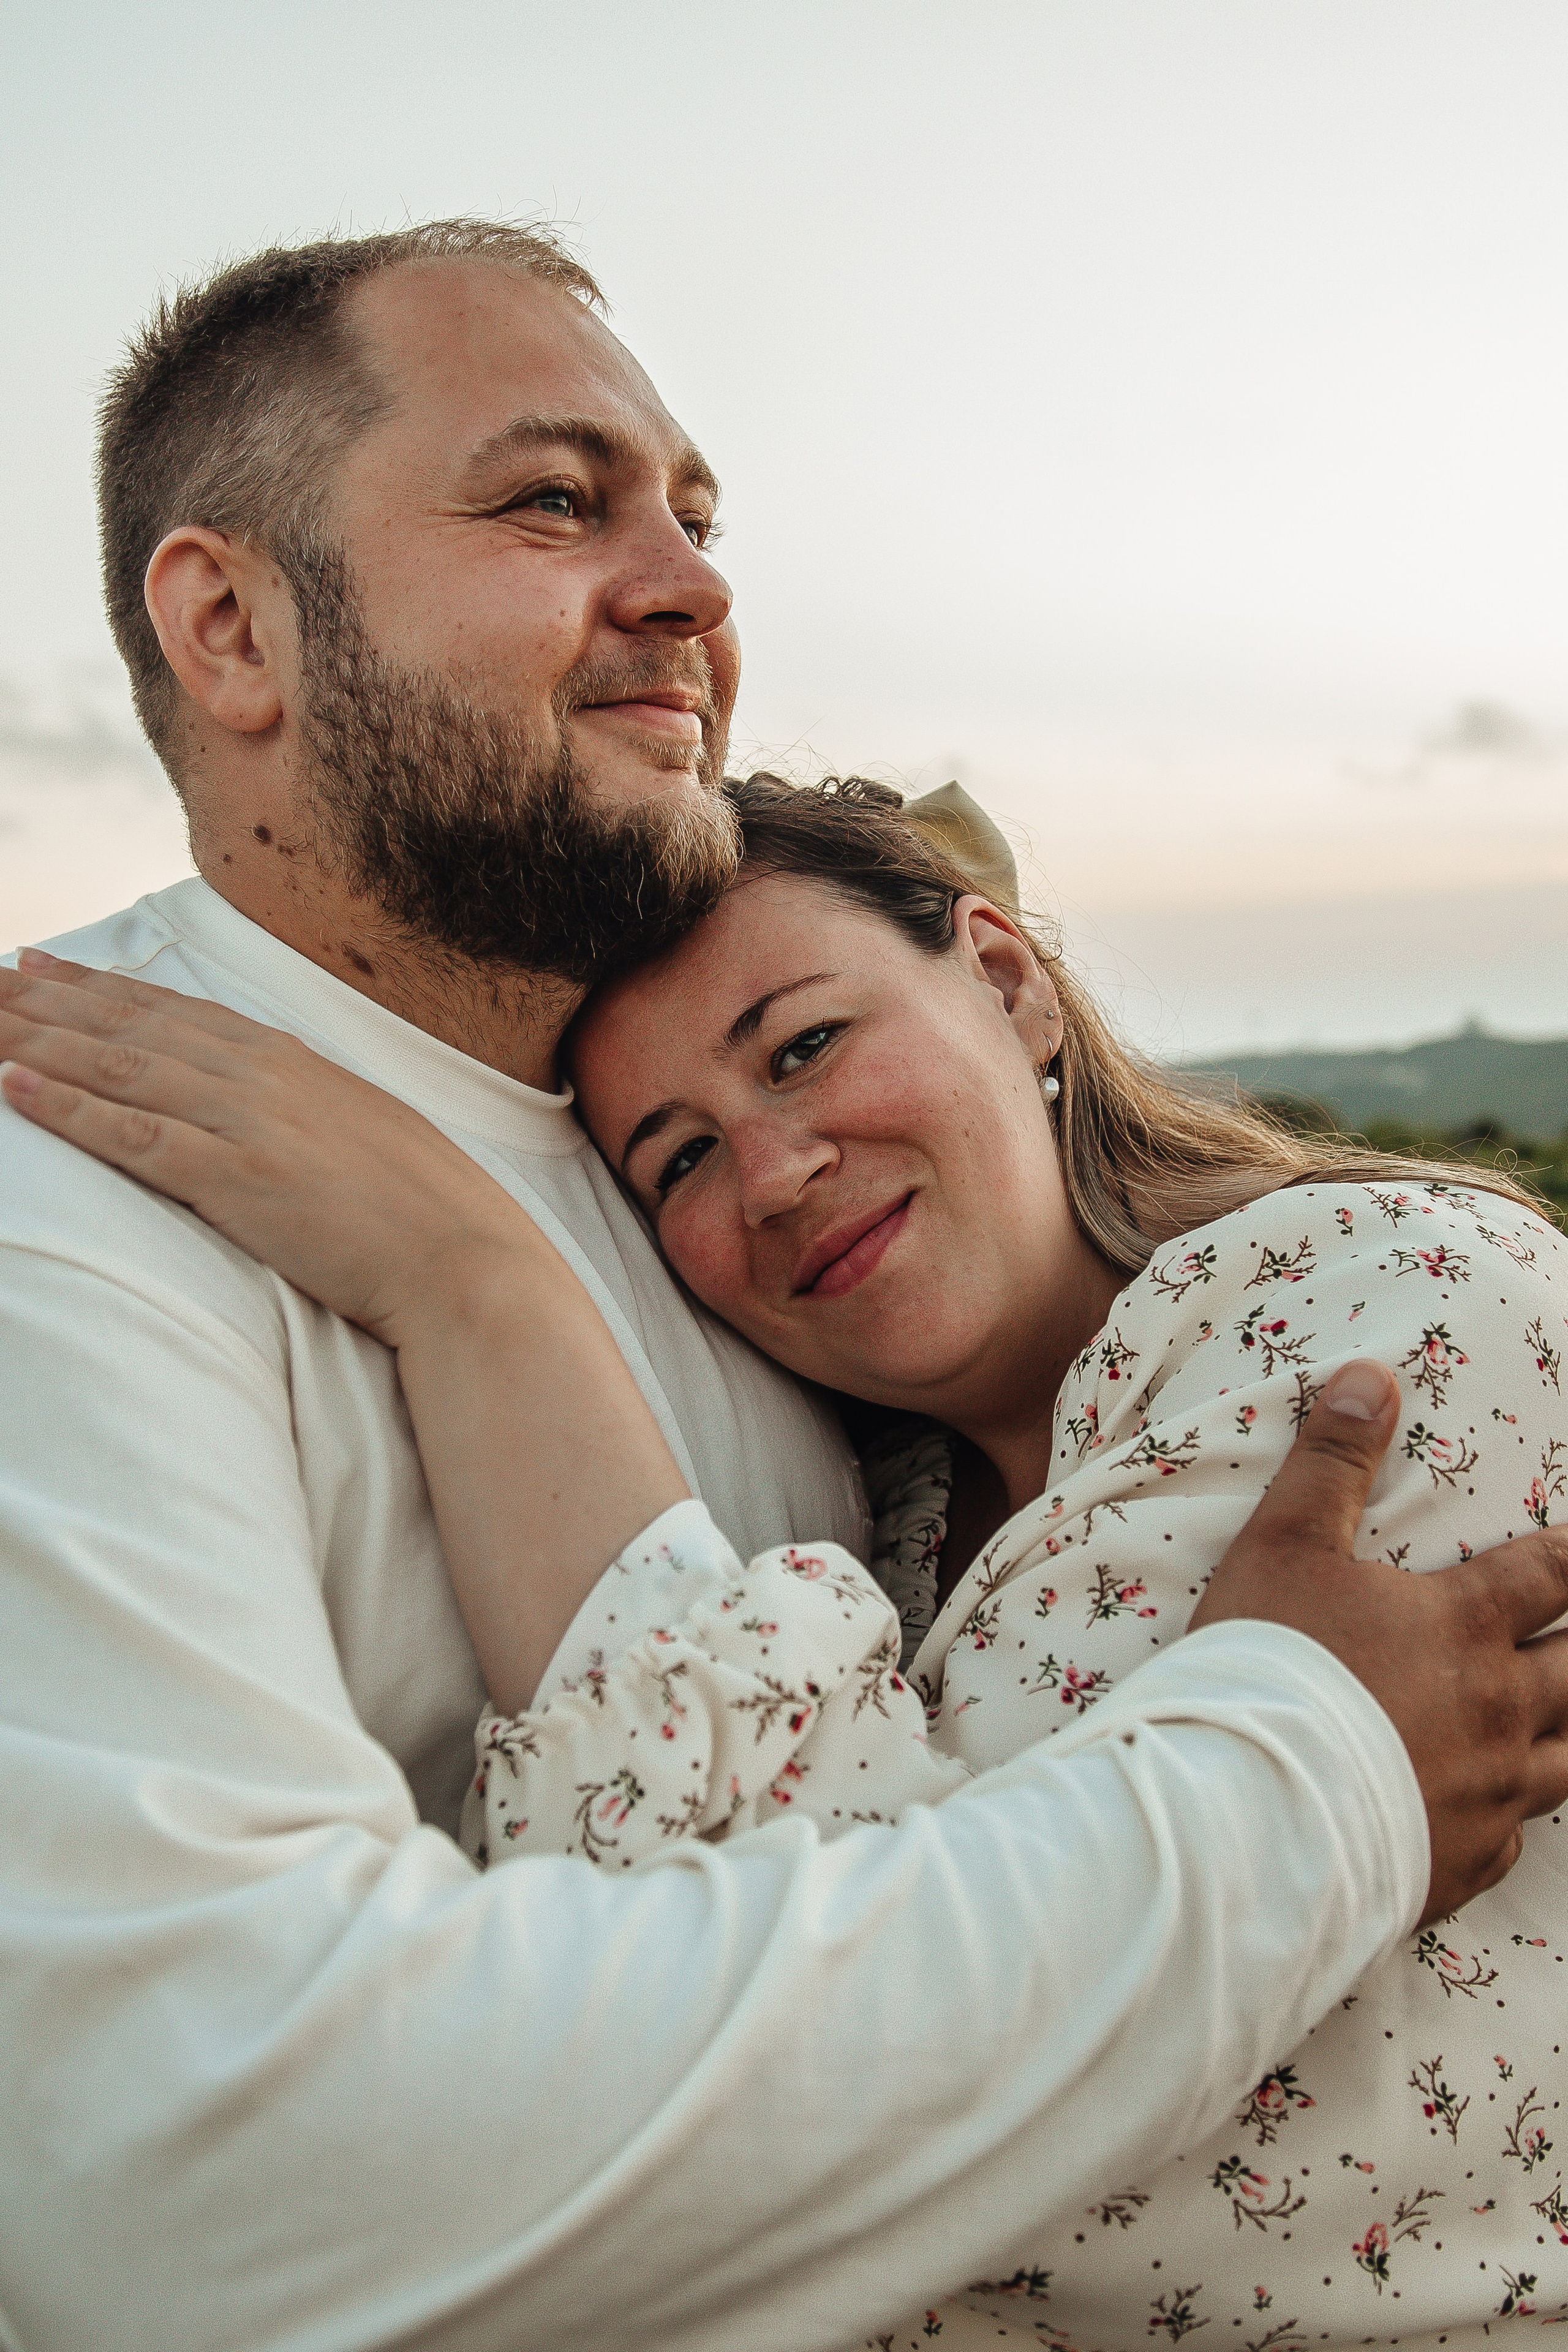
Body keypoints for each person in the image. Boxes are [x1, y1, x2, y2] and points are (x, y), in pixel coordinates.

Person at [0, 217, 1565, 2352]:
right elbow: (194, 2188)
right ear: (231, 623)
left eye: (698, 516)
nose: (694, 589)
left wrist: (481, 1281)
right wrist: (1309, 1776)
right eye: (556, 501)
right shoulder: (58, 1179)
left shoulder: (846, 1300)